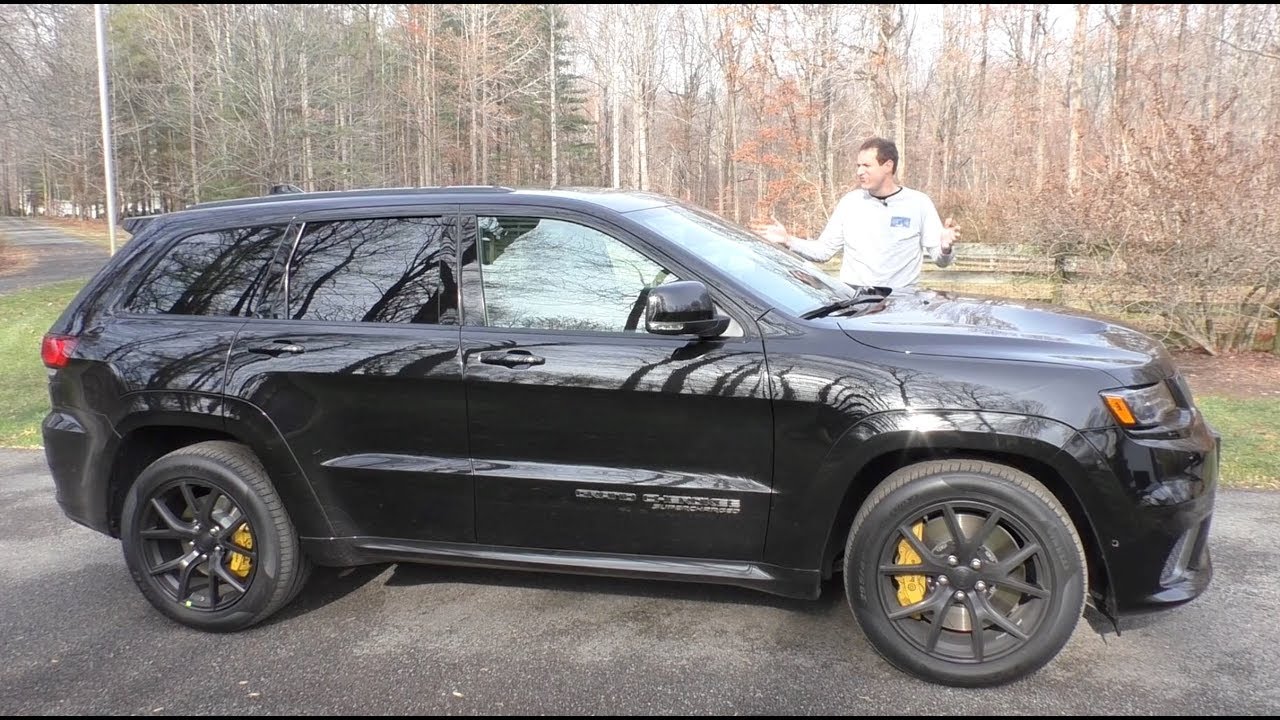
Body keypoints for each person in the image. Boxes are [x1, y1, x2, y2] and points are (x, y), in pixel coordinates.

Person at [755, 137, 960, 290]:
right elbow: (824, 251)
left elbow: (942, 262)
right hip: (855, 299)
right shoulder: (850, 203)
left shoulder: (919, 204)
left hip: (902, 301)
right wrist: (788, 240)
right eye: (858, 165)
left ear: (888, 165)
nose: (859, 172)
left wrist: (945, 247)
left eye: (866, 165)